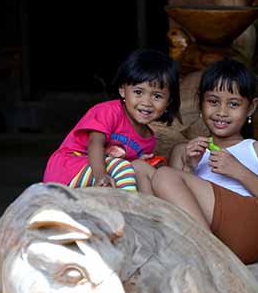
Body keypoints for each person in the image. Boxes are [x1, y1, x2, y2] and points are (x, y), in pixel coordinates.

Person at [149, 58, 258, 264]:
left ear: (251, 108)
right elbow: (177, 206)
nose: (221, 112)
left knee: (163, 175)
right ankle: (206, 252)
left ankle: (209, 254)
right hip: (210, 233)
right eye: (213, 101)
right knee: (145, 172)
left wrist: (239, 171)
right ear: (201, 103)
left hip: (249, 228)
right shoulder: (185, 151)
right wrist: (189, 166)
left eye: (233, 104)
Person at [43, 49, 180, 192]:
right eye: (138, 92)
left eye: (157, 96)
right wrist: (100, 175)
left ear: (168, 102)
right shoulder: (109, 112)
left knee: (136, 171)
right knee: (124, 169)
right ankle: (129, 212)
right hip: (68, 168)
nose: (146, 102)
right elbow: (95, 143)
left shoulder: (148, 139)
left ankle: (148, 209)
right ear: (122, 91)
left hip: (100, 172)